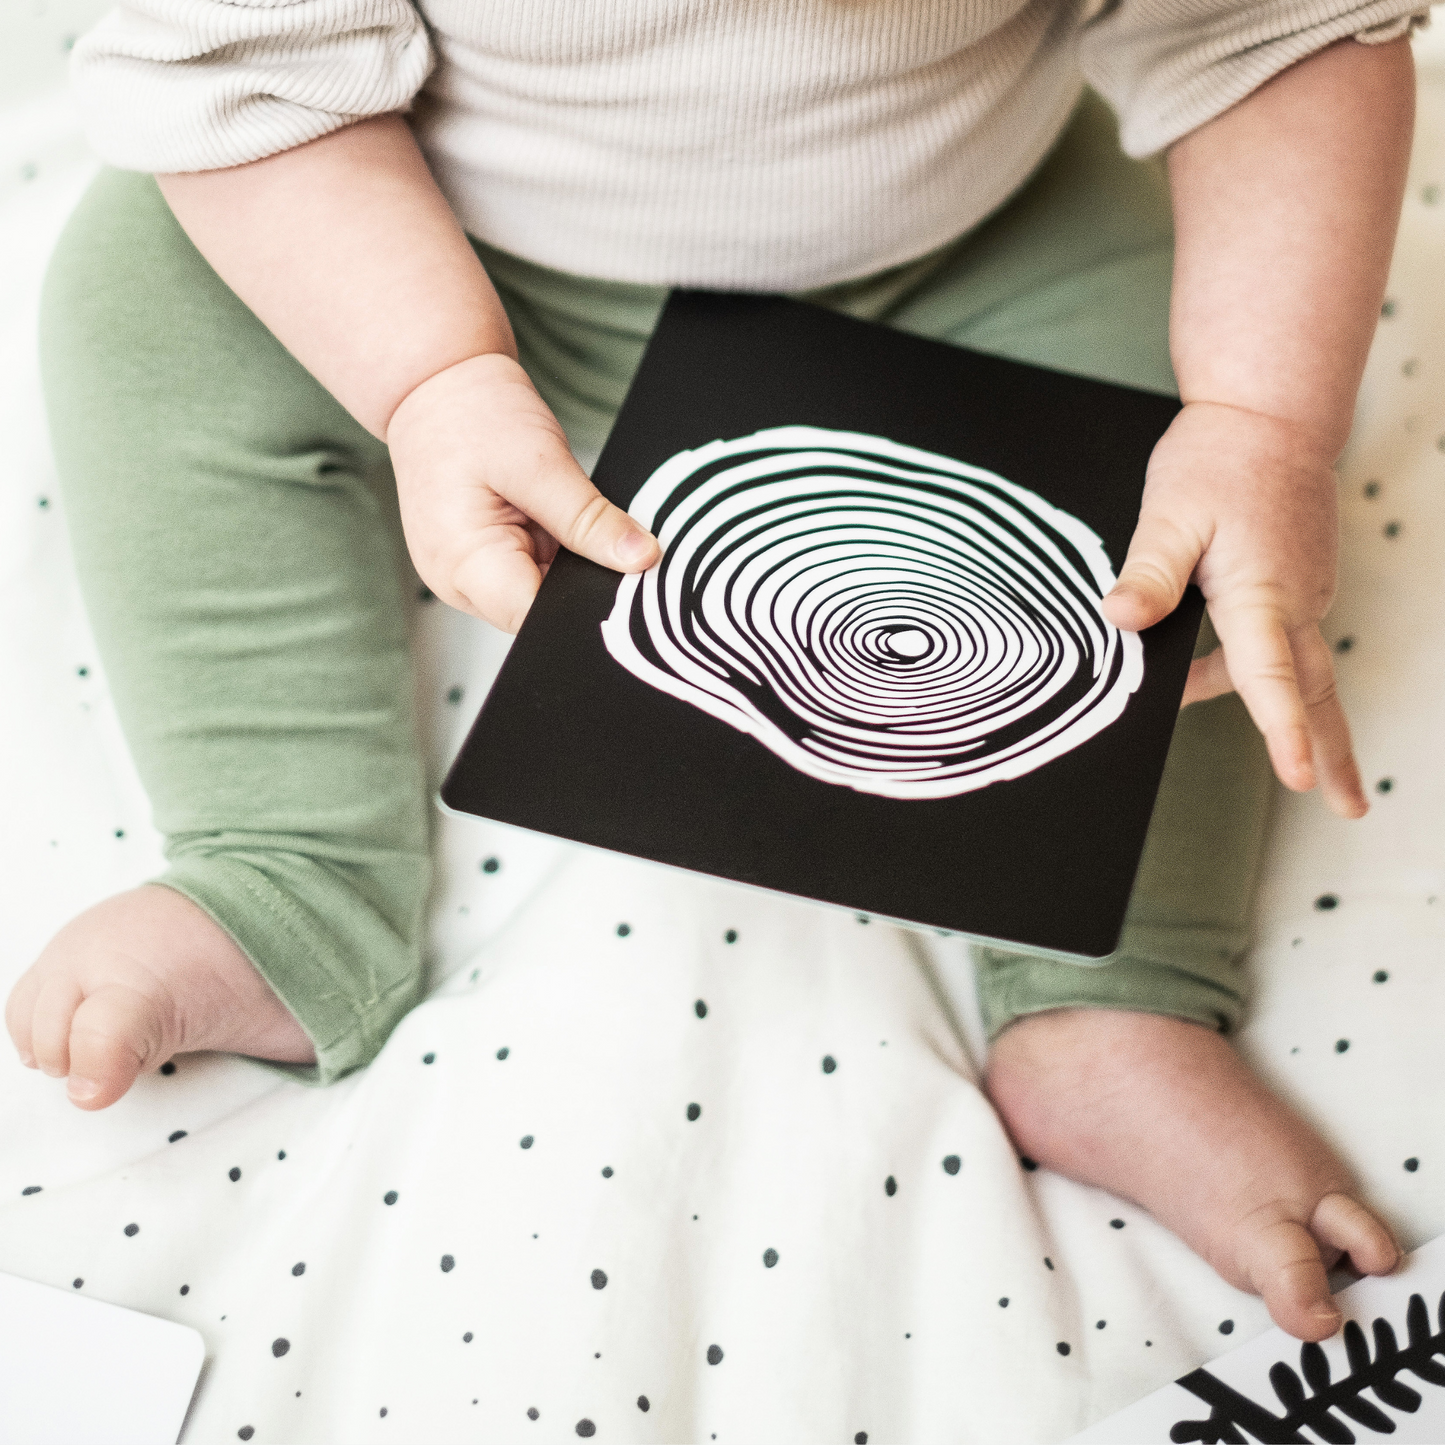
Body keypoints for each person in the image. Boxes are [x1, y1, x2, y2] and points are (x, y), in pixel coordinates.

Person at [5, 0, 1424, 1342]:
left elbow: (1271, 34)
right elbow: (242, 62)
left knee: (1192, 498)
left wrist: (1262, 418)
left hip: (981, 254)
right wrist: (426, 374)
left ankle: (1118, 996)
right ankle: (290, 867)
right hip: (401, 240)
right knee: (142, 297)